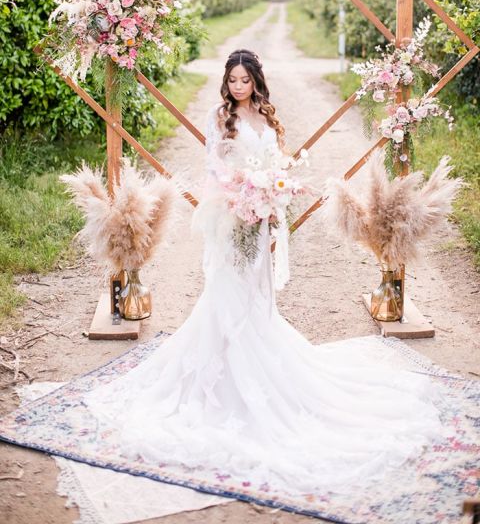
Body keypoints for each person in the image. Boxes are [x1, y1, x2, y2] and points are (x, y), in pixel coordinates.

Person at [84, 48, 442, 494]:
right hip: (231, 214)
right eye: (231, 80)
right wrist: (239, 197)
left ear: (256, 80)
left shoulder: (268, 118)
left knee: (257, 288)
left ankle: (257, 351)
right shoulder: (220, 118)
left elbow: (276, 165)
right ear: (226, 82)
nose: (237, 87)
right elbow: (214, 168)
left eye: (244, 80)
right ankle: (225, 368)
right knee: (227, 287)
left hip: (261, 217)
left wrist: (273, 199)